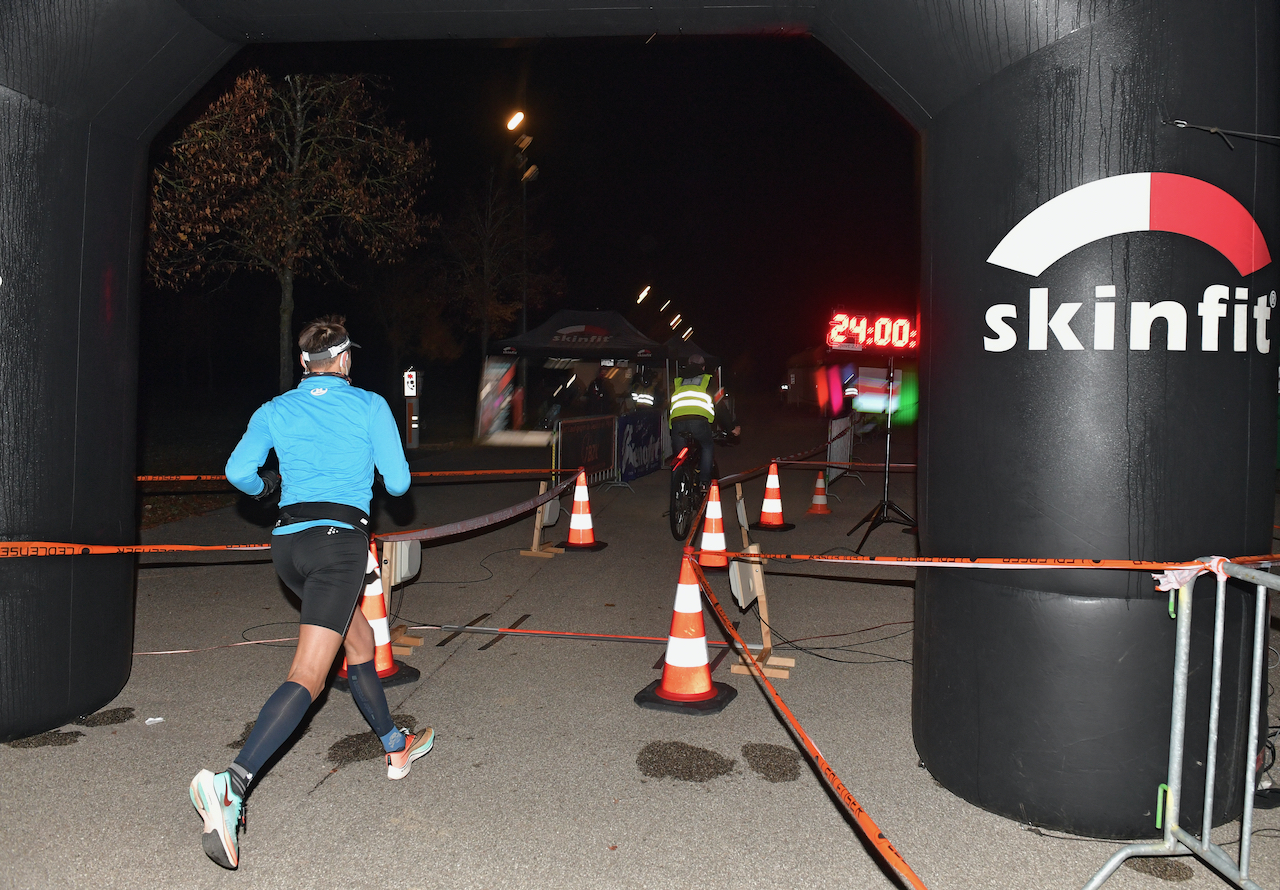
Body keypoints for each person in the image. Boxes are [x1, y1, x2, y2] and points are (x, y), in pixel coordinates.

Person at [188, 315, 433, 871]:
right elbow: (397, 485)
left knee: (362, 641)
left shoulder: (274, 409)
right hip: (338, 548)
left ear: (305, 363)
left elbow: (237, 471)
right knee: (308, 675)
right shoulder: (369, 405)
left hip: (289, 550)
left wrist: (268, 486)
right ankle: (233, 783)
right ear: (345, 360)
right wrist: (361, 475)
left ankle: (396, 746)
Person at [669, 355, 719, 489]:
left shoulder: (678, 381)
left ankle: (678, 485)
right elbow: (718, 404)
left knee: (679, 456)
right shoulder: (707, 379)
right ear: (703, 367)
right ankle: (704, 482)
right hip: (699, 422)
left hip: (677, 422)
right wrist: (731, 426)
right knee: (707, 446)